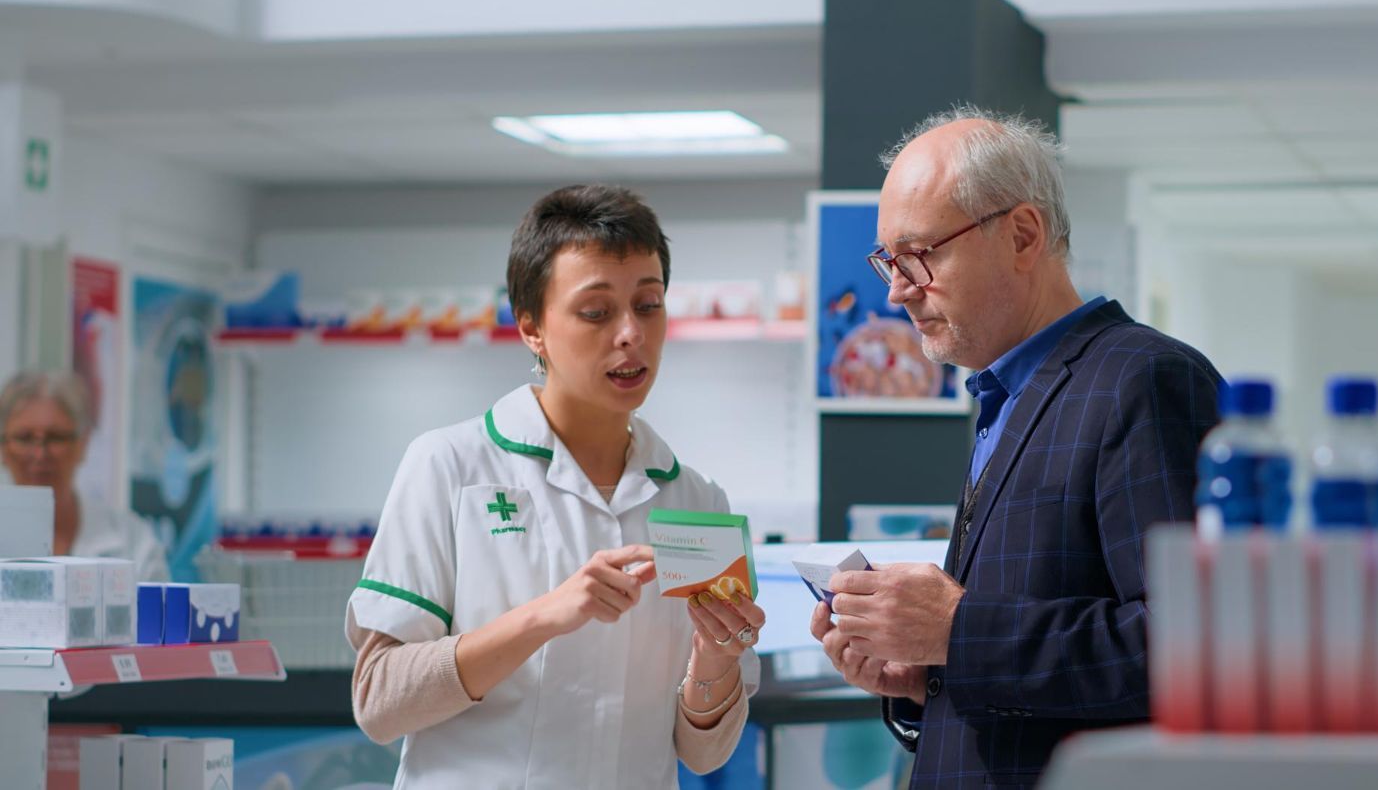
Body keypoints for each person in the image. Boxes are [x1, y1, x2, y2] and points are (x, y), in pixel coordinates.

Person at [810, 107, 1222, 788]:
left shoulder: (1144, 379)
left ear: (1022, 235)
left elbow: (1192, 648)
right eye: (888, 261)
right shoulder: (1005, 393)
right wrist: (925, 678)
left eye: (919, 255)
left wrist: (957, 631)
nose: (897, 291)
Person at [346, 184, 764, 788]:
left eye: (648, 304)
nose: (630, 332)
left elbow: (704, 755)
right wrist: (543, 616)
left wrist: (715, 660)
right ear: (532, 328)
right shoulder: (450, 466)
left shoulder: (696, 502)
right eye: (596, 312)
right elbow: (379, 702)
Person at [0, 370, 169, 580]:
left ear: (83, 443)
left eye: (55, 437)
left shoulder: (134, 543)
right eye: (25, 438)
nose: (40, 454)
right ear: (3, 447)